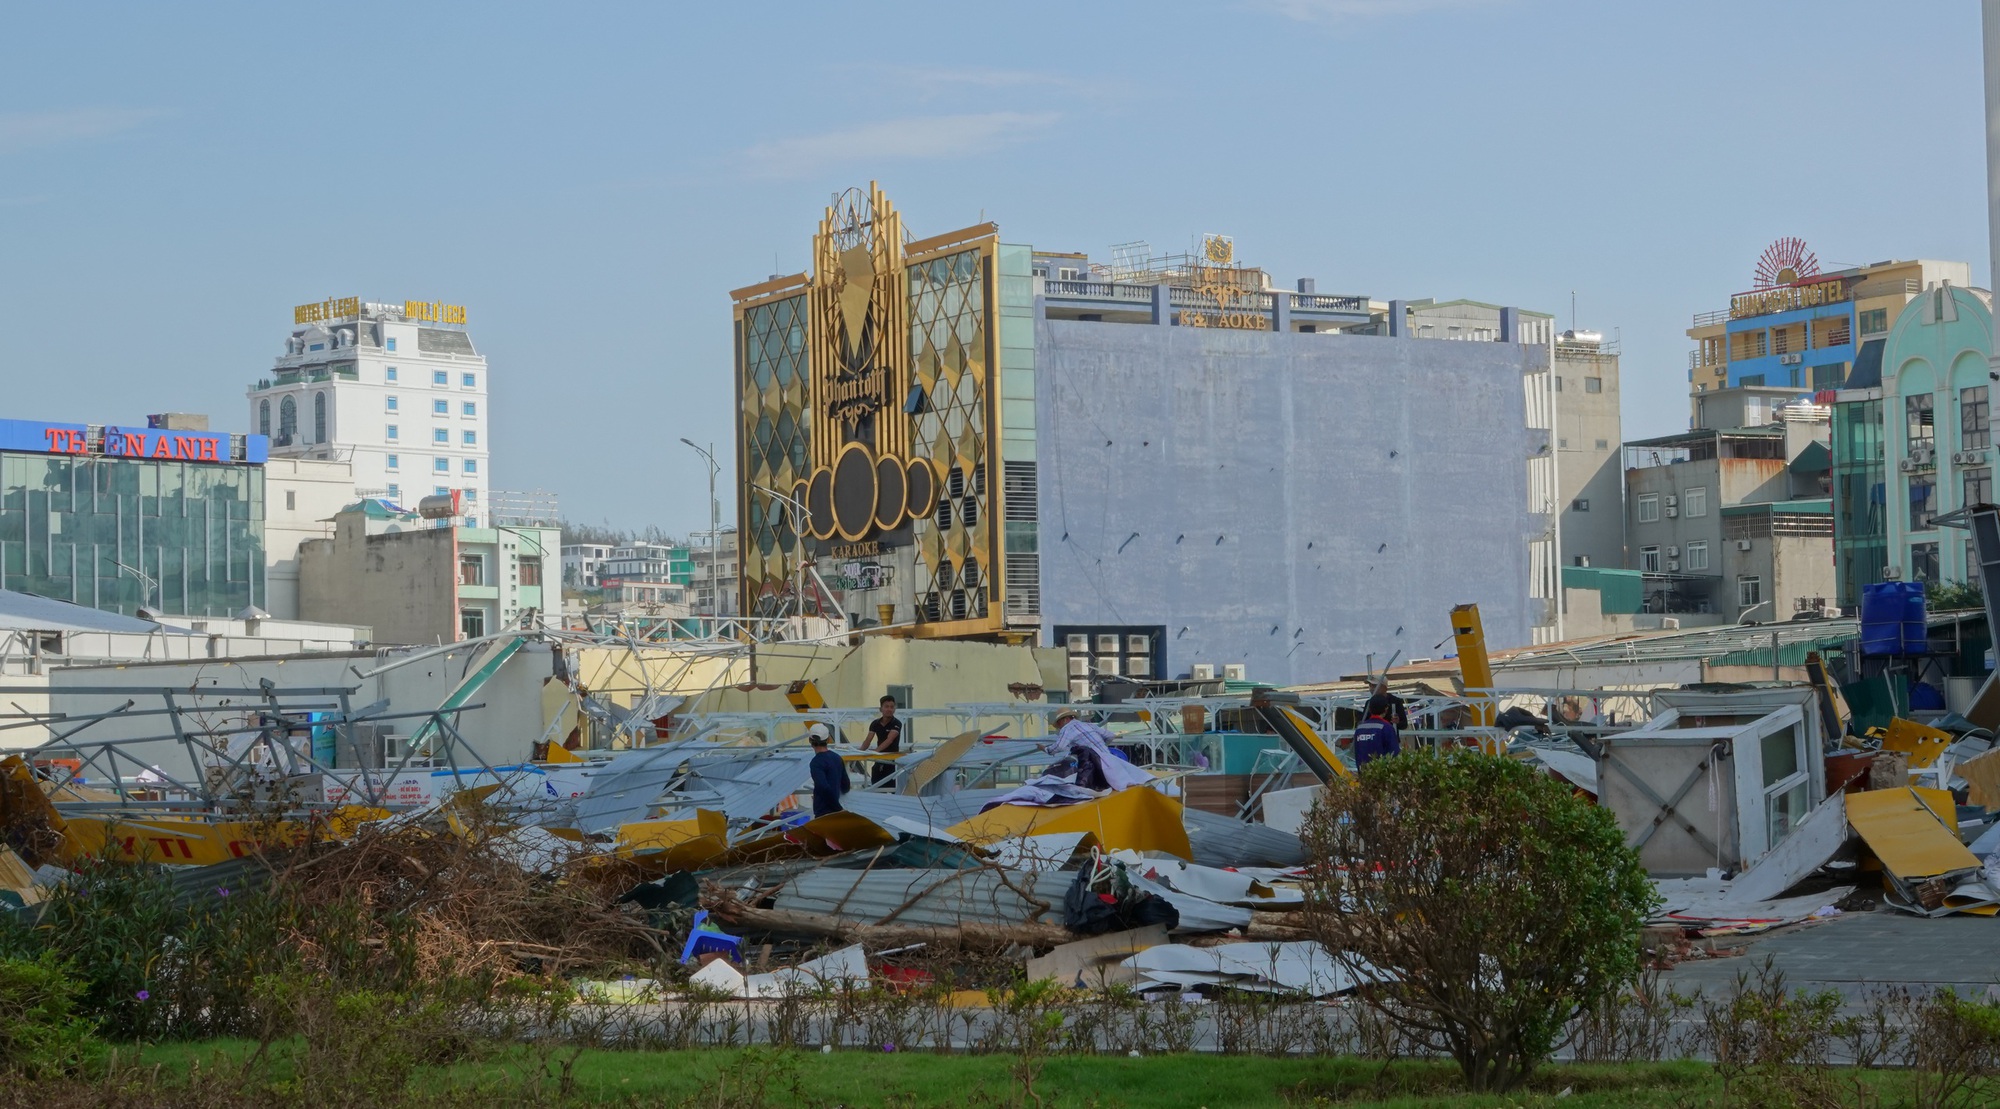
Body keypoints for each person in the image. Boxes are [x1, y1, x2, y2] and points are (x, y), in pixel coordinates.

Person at [1045, 708, 1154, 792]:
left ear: (1065, 719)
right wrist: (1101, 746)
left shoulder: (1067, 728)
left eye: (1058, 724)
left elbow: (1059, 747)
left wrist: (1046, 749)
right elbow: (1110, 735)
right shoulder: (1088, 725)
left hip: (1095, 764)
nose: (1059, 727)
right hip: (1109, 759)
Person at [806, 723, 849, 817]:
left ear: (810, 740)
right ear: (828, 740)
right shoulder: (837, 758)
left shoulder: (816, 762)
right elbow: (846, 786)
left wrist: (838, 808)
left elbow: (823, 787)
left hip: (823, 812)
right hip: (836, 811)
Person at [863, 694, 903, 787]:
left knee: (891, 789)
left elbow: (889, 740)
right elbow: (868, 740)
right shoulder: (875, 723)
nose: (889, 709)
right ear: (881, 709)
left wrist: (875, 752)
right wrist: (859, 753)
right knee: (876, 786)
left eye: (892, 707)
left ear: (894, 709)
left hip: (891, 761)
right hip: (879, 760)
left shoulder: (897, 723)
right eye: (886, 707)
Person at [1352, 694, 1402, 768]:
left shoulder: (1360, 729)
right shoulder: (1387, 727)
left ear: (1369, 709)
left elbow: (1356, 752)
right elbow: (1394, 753)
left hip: (1363, 773)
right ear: (1386, 708)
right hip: (1380, 774)